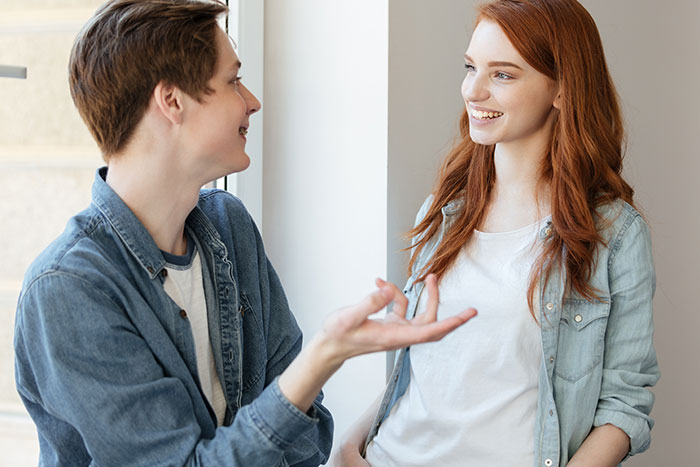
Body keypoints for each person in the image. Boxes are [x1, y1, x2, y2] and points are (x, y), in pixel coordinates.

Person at [12, 1, 478, 465]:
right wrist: (323, 356)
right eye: (232, 81)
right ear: (171, 101)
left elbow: (308, 436)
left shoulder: (228, 227)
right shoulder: (68, 290)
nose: (252, 100)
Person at [333, 0, 659, 466]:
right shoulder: (444, 211)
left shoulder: (614, 235)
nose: (473, 90)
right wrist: (351, 445)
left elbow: (624, 405)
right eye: (470, 68)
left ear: (562, 89)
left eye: (502, 74)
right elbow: (427, 373)